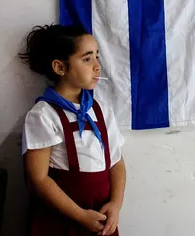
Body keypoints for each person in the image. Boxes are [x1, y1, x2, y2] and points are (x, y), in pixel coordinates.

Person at [20, 24, 126, 236]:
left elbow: (116, 162)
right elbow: (38, 179)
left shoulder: (100, 110)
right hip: (59, 221)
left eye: (97, 56)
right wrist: (80, 215)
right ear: (60, 67)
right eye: (87, 59)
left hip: (100, 220)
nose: (97, 66)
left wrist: (115, 204)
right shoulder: (42, 115)